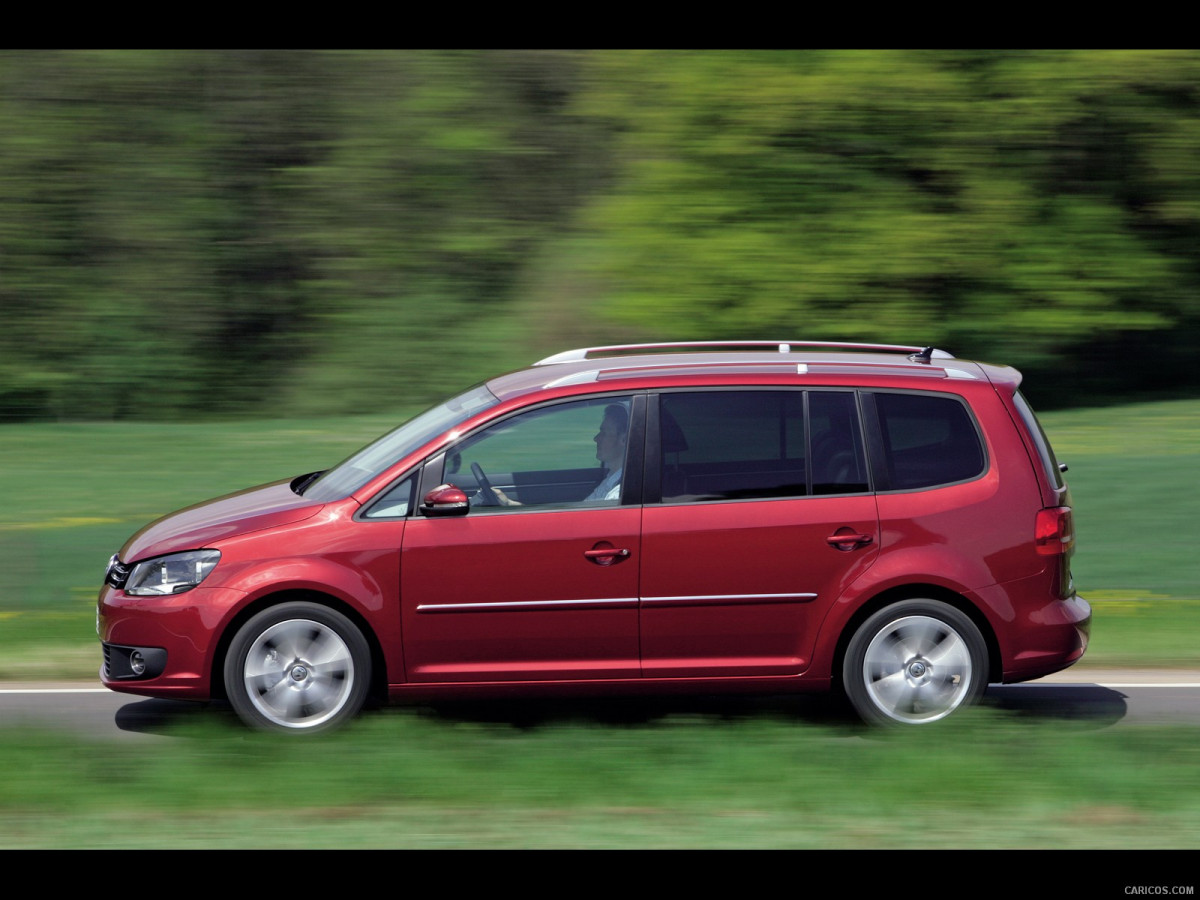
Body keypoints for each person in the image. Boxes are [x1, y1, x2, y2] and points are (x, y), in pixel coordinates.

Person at [489, 403, 628, 506]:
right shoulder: (611, 479)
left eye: (604, 433)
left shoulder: (617, 493)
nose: (596, 438)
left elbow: (577, 526)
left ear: (623, 439)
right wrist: (509, 504)